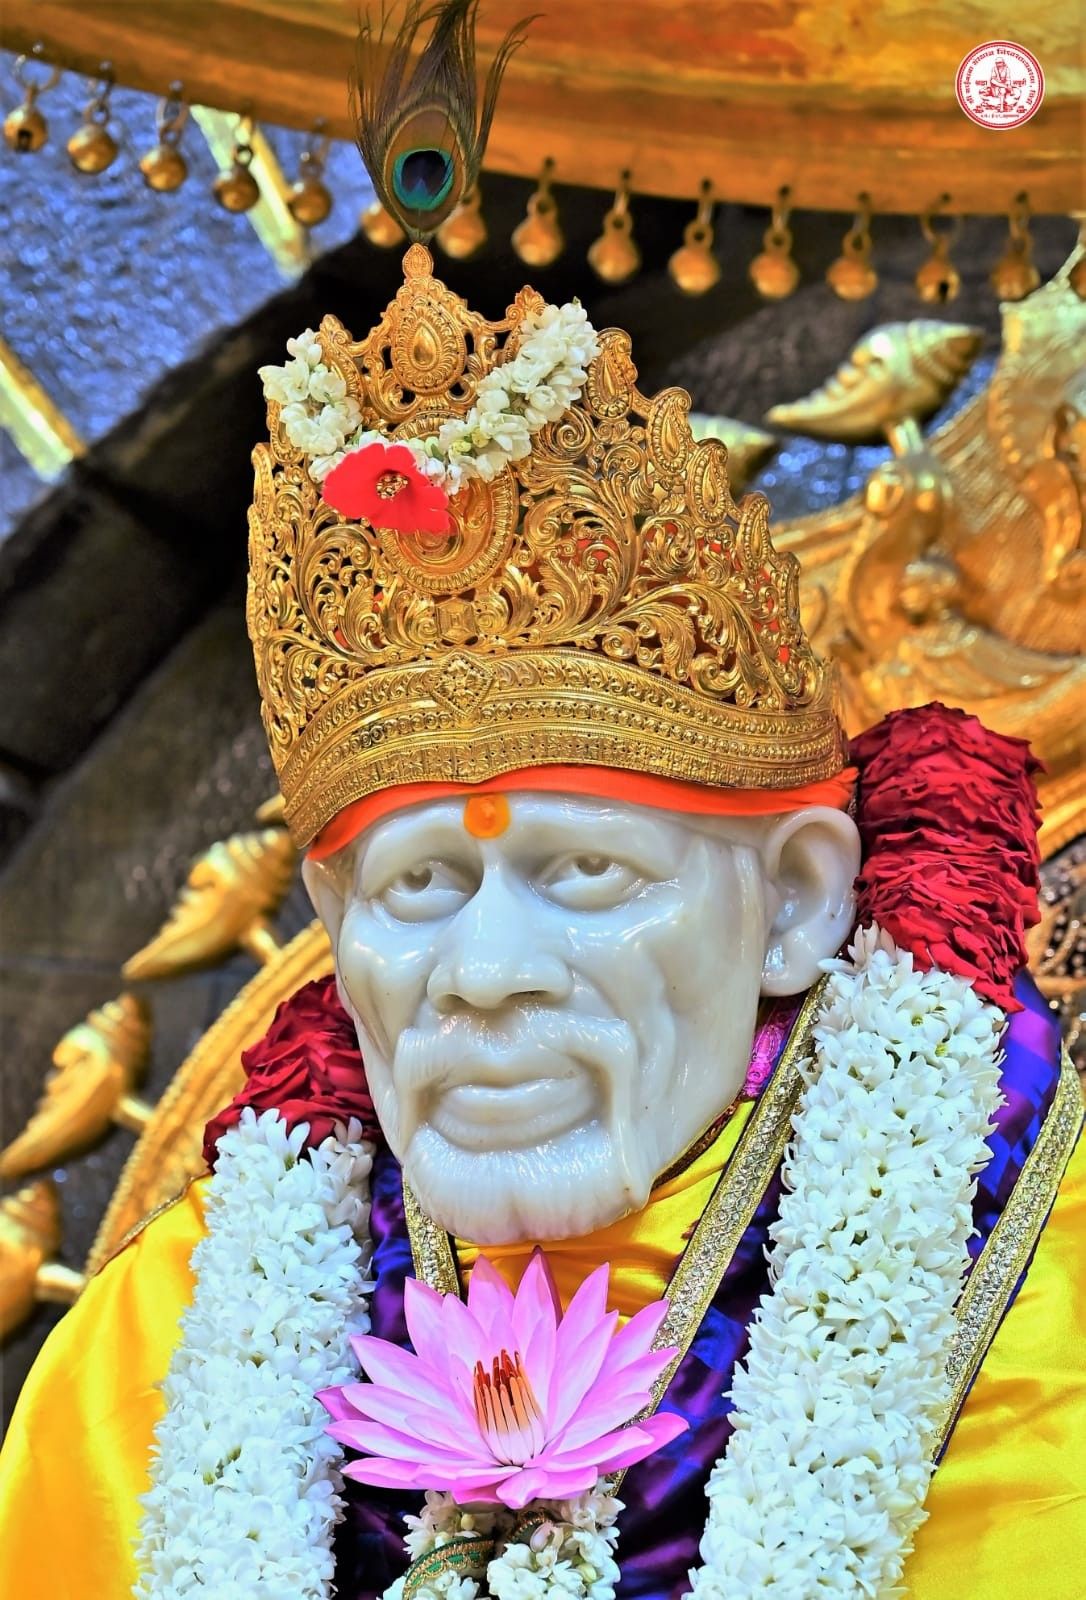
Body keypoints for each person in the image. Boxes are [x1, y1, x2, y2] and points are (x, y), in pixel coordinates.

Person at [1, 8, 1082, 1595]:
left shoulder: (1036, 1292)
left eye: (581, 873)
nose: (483, 972)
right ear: (331, 934)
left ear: (789, 897)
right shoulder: (162, 1341)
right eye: (420, 890)